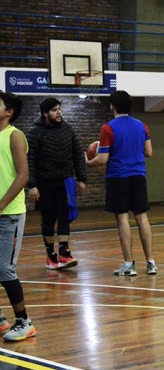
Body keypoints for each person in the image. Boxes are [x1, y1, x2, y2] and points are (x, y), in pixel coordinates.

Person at [85, 90, 157, 276]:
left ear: (113, 106)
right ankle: (151, 263)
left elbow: (102, 159)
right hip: (138, 176)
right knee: (142, 218)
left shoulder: (108, 128)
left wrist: (87, 162)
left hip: (118, 178)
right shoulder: (142, 125)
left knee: (123, 219)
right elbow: (149, 153)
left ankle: (128, 265)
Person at [26, 97, 87, 270]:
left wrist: (81, 179)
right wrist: (32, 185)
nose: (59, 112)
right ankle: (50, 256)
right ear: (45, 113)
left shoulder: (68, 130)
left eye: (59, 109)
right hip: (44, 183)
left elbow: (77, 155)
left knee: (64, 216)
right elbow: (29, 160)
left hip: (64, 182)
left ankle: (64, 253)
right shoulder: (34, 132)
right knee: (48, 219)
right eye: (54, 110)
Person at [0, 91, 37, 341]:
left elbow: (22, 176)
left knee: (4, 269)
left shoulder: (14, 136)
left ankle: (24, 322)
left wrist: (1, 205)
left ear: (9, 111)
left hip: (9, 214)